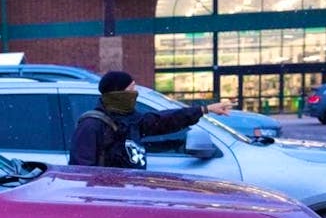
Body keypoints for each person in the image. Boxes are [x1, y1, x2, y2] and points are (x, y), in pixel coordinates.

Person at [69, 70, 232, 169]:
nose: (135, 92)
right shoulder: (91, 125)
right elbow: (81, 171)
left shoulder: (132, 120)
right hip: (109, 199)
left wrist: (205, 109)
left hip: (131, 193)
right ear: (118, 93)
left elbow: (165, 120)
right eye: (131, 88)